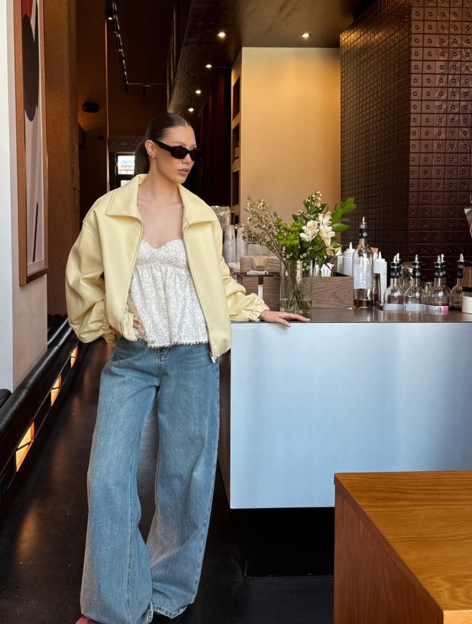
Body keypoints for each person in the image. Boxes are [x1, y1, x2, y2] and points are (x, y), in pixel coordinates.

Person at [65, 113, 308, 624]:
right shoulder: (109, 211)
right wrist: (110, 324)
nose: (188, 160)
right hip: (132, 358)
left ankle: (166, 590)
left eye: (194, 152)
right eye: (178, 150)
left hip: (193, 355)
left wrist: (257, 310)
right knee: (106, 476)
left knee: (185, 477)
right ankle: (114, 603)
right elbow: (83, 279)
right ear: (151, 149)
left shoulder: (199, 214)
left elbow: (216, 281)